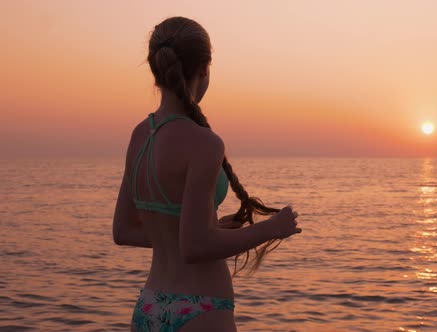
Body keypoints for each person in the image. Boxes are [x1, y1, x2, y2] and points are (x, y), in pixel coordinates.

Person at [112, 16, 302, 332]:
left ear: (156, 70)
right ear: (204, 70)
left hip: (149, 306)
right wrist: (272, 228)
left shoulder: (140, 135)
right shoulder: (204, 142)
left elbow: (124, 231)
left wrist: (214, 228)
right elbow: (195, 247)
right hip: (201, 309)